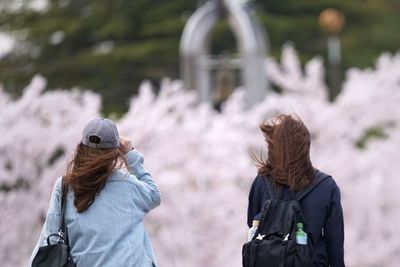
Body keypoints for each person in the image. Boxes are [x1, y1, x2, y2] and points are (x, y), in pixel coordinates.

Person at [29, 118, 161, 267]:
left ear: (80, 149)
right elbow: (154, 196)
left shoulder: (65, 186)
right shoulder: (129, 185)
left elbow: (49, 237)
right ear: (115, 154)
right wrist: (131, 154)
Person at [247, 114, 345, 267]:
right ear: (305, 147)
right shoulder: (327, 186)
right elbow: (335, 245)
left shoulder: (261, 181)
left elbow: (252, 225)